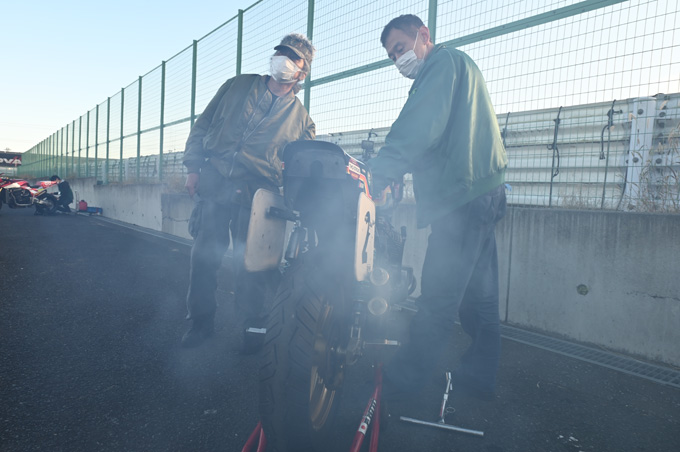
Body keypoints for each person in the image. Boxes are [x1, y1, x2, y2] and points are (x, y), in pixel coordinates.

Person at [368, 15, 508, 401]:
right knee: (479, 298)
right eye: (392, 55)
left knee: (438, 298)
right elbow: (440, 136)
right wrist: (402, 171)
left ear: (423, 36)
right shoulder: (457, 67)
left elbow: (419, 127)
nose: (398, 59)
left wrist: (379, 173)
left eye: (400, 48)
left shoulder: (441, 65)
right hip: (483, 192)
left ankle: (404, 381)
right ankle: (479, 379)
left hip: (461, 200)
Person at [180, 33, 316, 348]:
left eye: (292, 57)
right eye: (280, 52)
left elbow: (301, 167)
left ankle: (252, 329)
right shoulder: (237, 85)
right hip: (215, 182)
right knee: (203, 258)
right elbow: (203, 125)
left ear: (301, 72)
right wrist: (192, 168)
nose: (282, 59)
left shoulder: (302, 120)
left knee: (252, 265)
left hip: (258, 194)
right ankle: (200, 325)